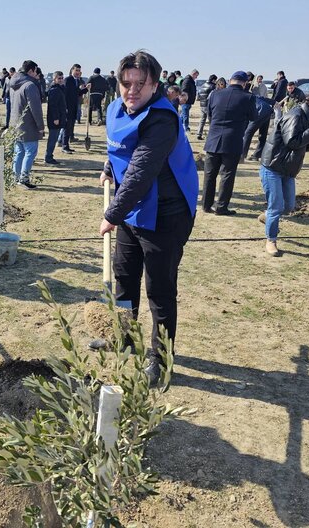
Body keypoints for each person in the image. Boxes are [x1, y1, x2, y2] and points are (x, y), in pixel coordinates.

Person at [99, 50, 198, 389]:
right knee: (124, 278)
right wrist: (108, 168)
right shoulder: (115, 108)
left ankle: (160, 356)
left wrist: (111, 214)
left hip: (166, 214)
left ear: (155, 84)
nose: (132, 90)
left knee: (160, 289)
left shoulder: (162, 119)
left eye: (140, 84)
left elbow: (141, 170)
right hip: (133, 211)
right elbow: (119, 149)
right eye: (126, 83)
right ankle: (124, 338)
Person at [260, 90, 309, 256]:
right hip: (273, 166)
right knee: (277, 206)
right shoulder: (296, 116)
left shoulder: (308, 117)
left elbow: (306, 146)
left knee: (288, 206)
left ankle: (268, 216)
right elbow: (292, 142)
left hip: (288, 168)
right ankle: (271, 240)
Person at [201, 71, 257, 215]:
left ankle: (206, 205)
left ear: (230, 80)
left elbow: (210, 114)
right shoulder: (248, 97)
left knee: (209, 174)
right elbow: (253, 116)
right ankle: (221, 207)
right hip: (232, 140)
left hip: (214, 139)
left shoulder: (215, 94)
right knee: (227, 175)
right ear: (245, 83)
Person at [8, 60, 44, 188]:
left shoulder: (15, 85)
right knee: (30, 152)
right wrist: (40, 127)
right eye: (35, 71)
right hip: (28, 125)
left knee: (19, 151)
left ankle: (15, 177)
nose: (36, 74)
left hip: (16, 124)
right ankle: (23, 179)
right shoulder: (30, 86)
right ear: (30, 71)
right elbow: (36, 108)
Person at [62, 63, 87, 153]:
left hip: (74, 107)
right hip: (68, 107)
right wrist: (65, 107)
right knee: (66, 127)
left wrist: (86, 89)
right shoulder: (68, 80)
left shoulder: (77, 80)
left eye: (79, 71)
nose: (78, 72)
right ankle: (64, 146)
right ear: (72, 70)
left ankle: (66, 145)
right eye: (76, 70)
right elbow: (65, 94)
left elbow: (77, 93)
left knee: (70, 126)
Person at [241, 95, 274, 161]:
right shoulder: (251, 95)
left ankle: (242, 156)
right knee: (263, 134)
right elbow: (263, 98)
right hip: (268, 110)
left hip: (260, 111)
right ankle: (257, 155)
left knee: (248, 133)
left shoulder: (242, 98)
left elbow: (245, 117)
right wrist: (274, 102)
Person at [45, 70, 67, 165]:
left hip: (59, 117)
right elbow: (53, 106)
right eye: (59, 78)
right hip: (55, 119)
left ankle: (49, 155)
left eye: (62, 78)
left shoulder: (59, 88)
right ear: (54, 79)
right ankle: (48, 157)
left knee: (54, 137)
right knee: (52, 138)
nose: (61, 80)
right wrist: (56, 118)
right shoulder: (54, 90)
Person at [195, 74, 217, 140]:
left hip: (202, 105)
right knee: (211, 121)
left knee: (202, 120)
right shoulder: (213, 86)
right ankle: (211, 136)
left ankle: (199, 133)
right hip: (209, 105)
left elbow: (198, 96)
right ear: (213, 80)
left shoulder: (202, 85)